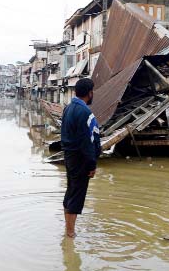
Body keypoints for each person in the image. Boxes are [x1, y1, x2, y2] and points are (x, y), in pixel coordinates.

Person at [61, 78, 101, 238]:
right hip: (80, 159)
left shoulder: (68, 108)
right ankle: (70, 234)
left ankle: (68, 229)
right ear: (90, 93)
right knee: (77, 195)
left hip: (69, 157)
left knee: (71, 191)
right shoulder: (85, 113)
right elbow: (88, 141)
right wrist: (92, 164)